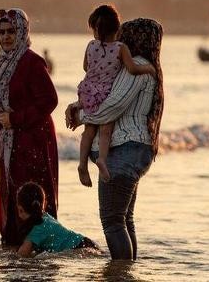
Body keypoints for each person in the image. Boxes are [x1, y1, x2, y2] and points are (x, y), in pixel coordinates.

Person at [66, 18, 164, 260]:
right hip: (133, 149)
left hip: (124, 149)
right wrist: (78, 104)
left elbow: (113, 104)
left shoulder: (137, 67)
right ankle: (127, 270)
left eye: (125, 36)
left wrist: (80, 116)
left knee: (112, 221)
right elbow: (109, 95)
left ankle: (120, 274)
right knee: (123, 219)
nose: (120, 40)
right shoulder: (143, 67)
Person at [0, 8, 59, 246]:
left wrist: (16, 120)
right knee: (12, 192)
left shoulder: (32, 62)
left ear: (22, 32)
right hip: (9, 144)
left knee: (32, 195)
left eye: (12, 31)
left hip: (34, 141)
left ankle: (38, 247)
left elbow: (49, 100)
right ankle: (16, 247)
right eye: (1, 32)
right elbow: (0, 109)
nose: (6, 37)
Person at [75, 5, 155, 187]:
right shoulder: (120, 48)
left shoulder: (91, 45)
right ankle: (102, 159)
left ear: (95, 29)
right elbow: (133, 69)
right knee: (106, 128)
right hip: (105, 93)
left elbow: (86, 67)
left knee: (89, 130)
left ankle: (82, 164)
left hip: (87, 91)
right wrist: (149, 68)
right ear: (117, 29)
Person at [16, 182, 97, 257]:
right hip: (86, 243)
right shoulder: (46, 217)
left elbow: (22, 255)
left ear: (20, 209)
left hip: (79, 249)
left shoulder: (36, 229)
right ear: (43, 204)